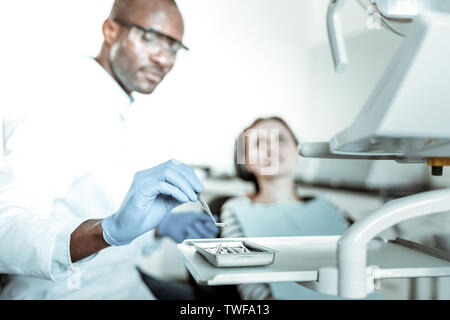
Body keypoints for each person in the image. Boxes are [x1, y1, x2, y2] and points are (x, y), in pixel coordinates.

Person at [0, 0, 218, 299]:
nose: (164, 59)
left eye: (174, 47)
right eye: (149, 37)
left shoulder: (120, 108)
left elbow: (111, 229)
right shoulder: (57, 104)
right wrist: (106, 231)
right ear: (111, 30)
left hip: (122, 281)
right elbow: (6, 231)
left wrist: (156, 227)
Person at [220, 116, 360, 300]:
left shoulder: (326, 206)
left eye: (281, 139)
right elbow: (250, 285)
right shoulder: (235, 209)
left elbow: (361, 268)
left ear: (297, 150)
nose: (272, 148)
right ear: (246, 161)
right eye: (260, 143)